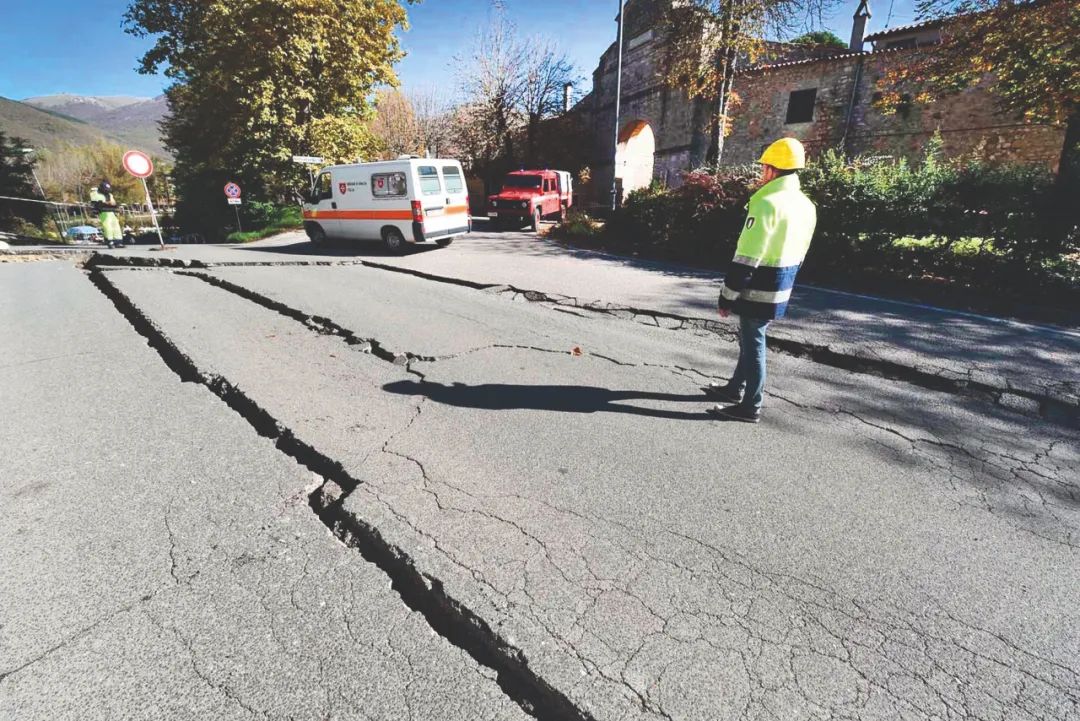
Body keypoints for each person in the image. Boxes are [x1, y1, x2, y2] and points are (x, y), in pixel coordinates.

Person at [706, 138, 817, 423]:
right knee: (749, 337)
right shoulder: (806, 206)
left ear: (771, 169)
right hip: (782, 283)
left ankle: (750, 406)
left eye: (763, 167)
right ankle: (734, 389)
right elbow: (802, 251)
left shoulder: (767, 202)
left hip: (758, 285)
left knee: (753, 342)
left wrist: (727, 295)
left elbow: (748, 255)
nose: (761, 173)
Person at [89, 180, 123, 249]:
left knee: (115, 225)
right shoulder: (95, 193)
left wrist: (114, 205)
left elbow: (113, 202)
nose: (107, 191)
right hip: (103, 211)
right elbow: (96, 202)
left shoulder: (109, 195)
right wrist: (106, 203)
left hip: (111, 211)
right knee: (108, 226)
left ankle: (118, 241)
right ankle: (110, 241)